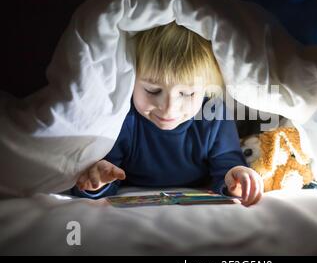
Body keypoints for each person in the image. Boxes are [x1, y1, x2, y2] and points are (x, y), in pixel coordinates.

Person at [72, 22, 264, 206]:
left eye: (187, 93)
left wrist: (236, 178)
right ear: (132, 80)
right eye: (153, 91)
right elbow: (104, 176)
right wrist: (97, 181)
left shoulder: (213, 113)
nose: (169, 108)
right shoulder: (123, 117)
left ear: (205, 89)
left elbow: (226, 165)